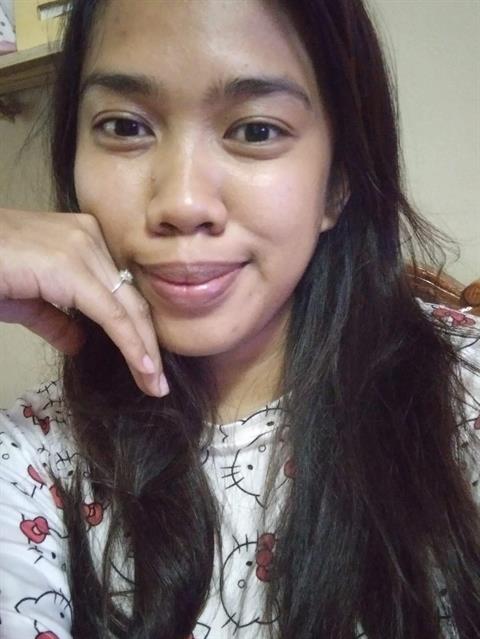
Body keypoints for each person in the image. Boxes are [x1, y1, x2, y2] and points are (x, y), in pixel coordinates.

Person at [0, 1, 479, 637]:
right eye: (124, 126)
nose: (182, 203)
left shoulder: (463, 395)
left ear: (337, 182)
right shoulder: (32, 459)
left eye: (254, 131)